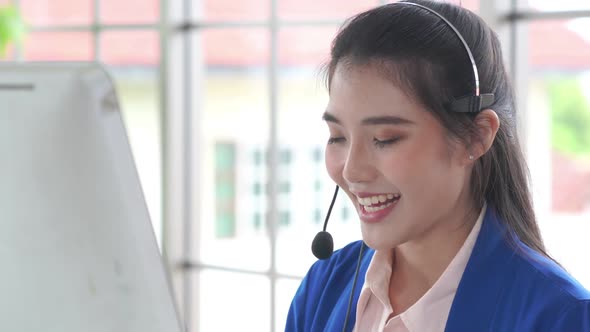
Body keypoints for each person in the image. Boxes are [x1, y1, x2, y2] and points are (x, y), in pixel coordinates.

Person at [285, 1, 590, 331]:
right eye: (338, 136)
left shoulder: (560, 318)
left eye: (385, 138)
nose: (351, 170)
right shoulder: (323, 288)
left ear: (476, 137)